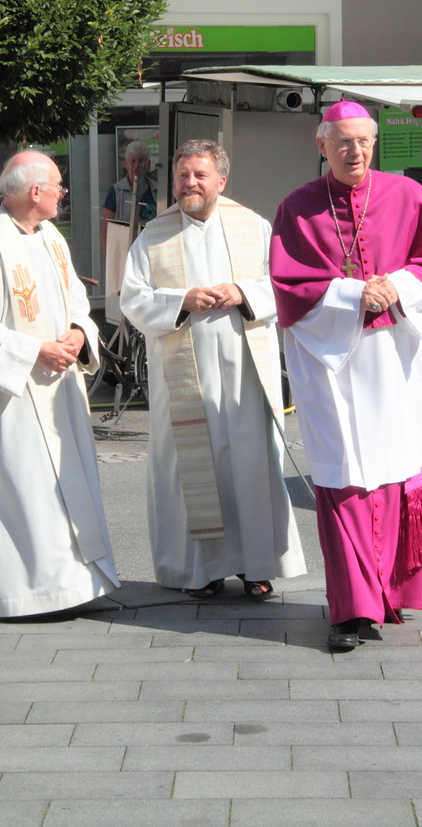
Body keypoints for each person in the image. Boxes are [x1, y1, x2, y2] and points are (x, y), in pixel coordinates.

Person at [270, 100, 422, 649]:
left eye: (364, 141)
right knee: (343, 475)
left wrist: (397, 285)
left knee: (396, 468)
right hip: (330, 362)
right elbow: (288, 284)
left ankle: (391, 592)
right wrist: (353, 294)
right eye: (343, 142)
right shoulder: (297, 207)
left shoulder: (408, 195)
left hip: (393, 356)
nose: (355, 151)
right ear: (322, 145)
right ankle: (352, 611)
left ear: (374, 143)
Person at [120, 139, 306, 597]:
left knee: (251, 465)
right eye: (183, 175)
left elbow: (284, 283)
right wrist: (180, 301)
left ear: (221, 181)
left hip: (245, 374)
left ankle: (256, 566)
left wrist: (244, 293)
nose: (190, 183)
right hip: (184, 380)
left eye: (200, 175)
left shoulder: (254, 226)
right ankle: (199, 571)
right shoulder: (153, 235)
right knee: (192, 471)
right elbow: (133, 299)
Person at [0, 150, 120, 618]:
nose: (62, 194)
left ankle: (77, 585)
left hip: (59, 389)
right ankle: (33, 595)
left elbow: (76, 300)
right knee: (31, 491)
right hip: (17, 398)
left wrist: (78, 333)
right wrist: (35, 351)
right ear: (34, 192)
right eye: (58, 186)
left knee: (69, 485)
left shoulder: (50, 237)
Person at [102, 139, 157, 253]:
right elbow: (106, 228)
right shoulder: (115, 191)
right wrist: (109, 257)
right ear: (126, 164)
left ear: (148, 164)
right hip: (124, 252)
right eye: (132, 161)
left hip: (151, 251)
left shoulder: (157, 190)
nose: (136, 165)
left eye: (141, 161)